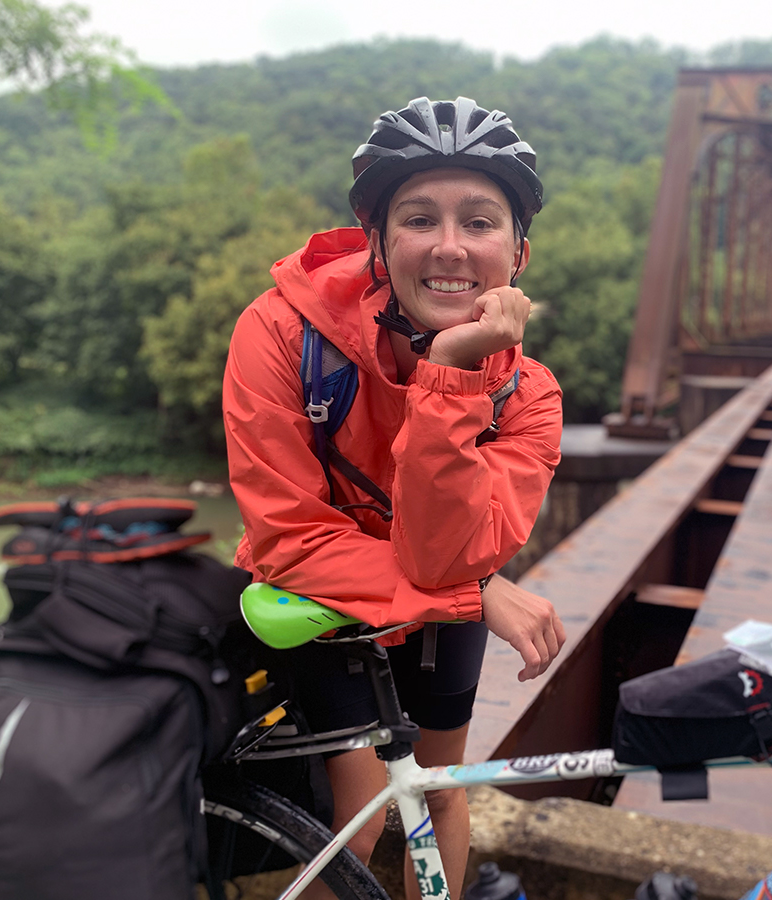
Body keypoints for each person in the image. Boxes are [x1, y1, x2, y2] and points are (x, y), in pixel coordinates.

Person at [222, 96, 566, 900]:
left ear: (519, 253)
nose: (449, 246)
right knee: (362, 812)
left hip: (437, 599)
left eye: (479, 222)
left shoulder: (527, 396)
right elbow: (289, 539)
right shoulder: (282, 335)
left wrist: (450, 373)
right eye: (419, 219)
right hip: (324, 595)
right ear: (379, 241)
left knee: (439, 789)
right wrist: (477, 593)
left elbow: (448, 554)